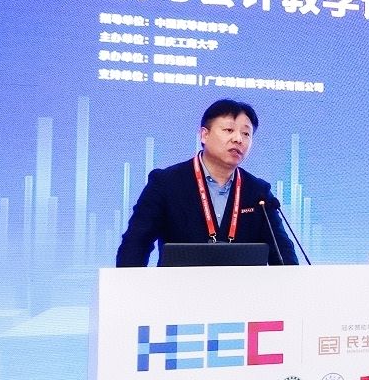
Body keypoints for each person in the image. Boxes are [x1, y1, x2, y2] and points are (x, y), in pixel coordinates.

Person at [116, 99, 299, 266]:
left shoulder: (258, 192)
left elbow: (283, 253)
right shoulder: (166, 183)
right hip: (178, 290)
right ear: (204, 135)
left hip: (242, 290)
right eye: (229, 130)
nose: (238, 139)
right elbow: (135, 245)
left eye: (246, 134)